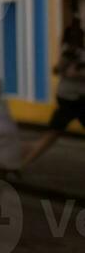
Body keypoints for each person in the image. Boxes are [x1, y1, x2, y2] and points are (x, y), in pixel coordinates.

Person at [22, 19, 85, 169]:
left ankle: (23, 160)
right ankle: (23, 159)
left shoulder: (74, 50)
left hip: (74, 97)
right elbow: (60, 70)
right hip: (72, 99)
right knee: (52, 134)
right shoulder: (70, 51)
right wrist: (75, 72)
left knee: (52, 134)